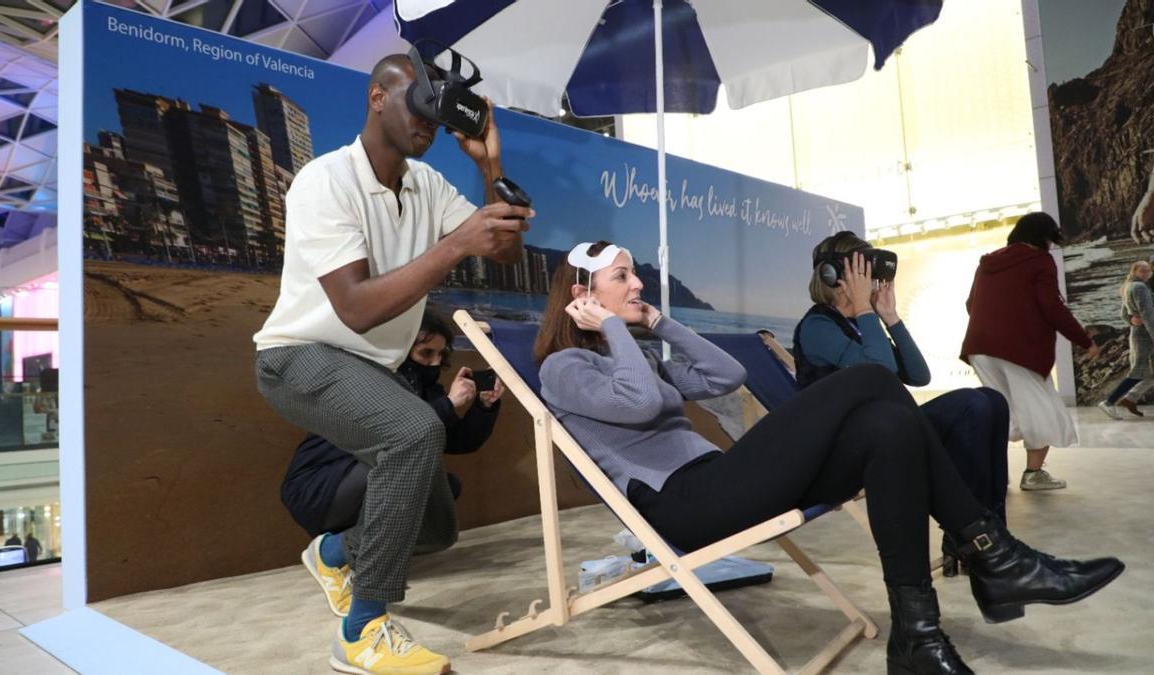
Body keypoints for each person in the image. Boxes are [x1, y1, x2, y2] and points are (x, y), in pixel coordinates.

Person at [536, 240, 1123, 675]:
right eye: (622, 277)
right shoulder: (563, 369)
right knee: (869, 379)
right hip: (686, 505)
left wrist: (657, 323)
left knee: (887, 426)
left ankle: (918, 637)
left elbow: (728, 374)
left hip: (722, 482)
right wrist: (615, 328)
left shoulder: (643, 356)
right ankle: (996, 558)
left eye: (635, 276)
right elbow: (638, 406)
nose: (637, 285)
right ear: (583, 294)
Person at [253, 52, 532, 675]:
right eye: (420, 105)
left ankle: (332, 554)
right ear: (378, 97)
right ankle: (361, 634)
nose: (430, 124)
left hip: (370, 371)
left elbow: (505, 253)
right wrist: (456, 242)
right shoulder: (325, 181)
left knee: (435, 530)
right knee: (414, 430)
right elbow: (354, 308)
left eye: (439, 114)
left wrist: (490, 166)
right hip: (298, 356)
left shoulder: (427, 185)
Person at [793, 232, 1009, 576]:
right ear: (834, 277)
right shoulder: (819, 325)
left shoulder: (860, 324)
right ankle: (974, 539)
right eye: (861, 272)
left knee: (992, 402)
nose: (870, 281)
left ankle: (990, 532)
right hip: (850, 447)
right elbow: (881, 372)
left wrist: (890, 317)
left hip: (889, 428)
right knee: (972, 405)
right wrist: (867, 310)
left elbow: (919, 375)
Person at [281, 311, 506, 614]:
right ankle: (332, 555)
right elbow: (399, 434)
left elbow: (460, 442)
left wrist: (483, 407)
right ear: (403, 347)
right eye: (426, 353)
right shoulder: (368, 379)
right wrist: (448, 405)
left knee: (443, 488)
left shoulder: (428, 389)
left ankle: (351, 554)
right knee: (406, 470)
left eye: (441, 354)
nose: (436, 363)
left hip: (364, 477)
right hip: (320, 486)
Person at [962, 212, 1099, 491]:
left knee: (1001, 413)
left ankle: (993, 476)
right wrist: (1084, 340)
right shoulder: (1039, 261)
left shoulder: (988, 263)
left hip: (979, 348)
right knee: (1042, 411)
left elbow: (970, 303)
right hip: (1019, 349)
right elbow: (1052, 307)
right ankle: (1033, 475)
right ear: (1045, 237)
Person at [1099, 261, 1154, 419]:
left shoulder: (1128, 286)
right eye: (1142, 271)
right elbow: (1148, 315)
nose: (1146, 273)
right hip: (1145, 336)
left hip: (1140, 334)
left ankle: (1130, 398)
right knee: (1137, 372)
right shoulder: (1140, 287)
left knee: (1148, 372)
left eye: (1147, 271)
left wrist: (1131, 320)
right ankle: (1109, 402)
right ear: (1135, 271)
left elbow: (1123, 314)